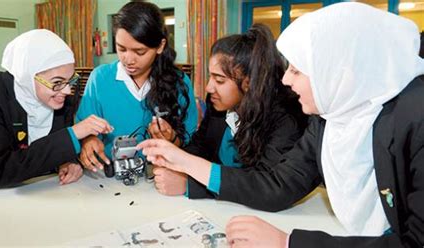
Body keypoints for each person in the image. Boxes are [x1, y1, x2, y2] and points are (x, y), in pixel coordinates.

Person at [139, 2, 424, 247]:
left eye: (297, 70)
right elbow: (279, 185)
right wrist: (184, 159)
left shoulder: (415, 118)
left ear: (338, 73)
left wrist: (287, 242)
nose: (286, 80)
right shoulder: (327, 121)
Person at [141, 24, 308, 201]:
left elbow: (266, 184)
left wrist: (190, 185)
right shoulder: (218, 103)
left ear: (249, 82)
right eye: (210, 76)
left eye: (219, 80)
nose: (208, 87)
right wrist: (174, 157)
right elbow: (201, 146)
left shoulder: (286, 118)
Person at [0, 29, 112, 192]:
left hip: (46, 189)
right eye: (57, 82)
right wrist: (72, 135)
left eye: (70, 80)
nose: (67, 91)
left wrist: (70, 163)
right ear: (28, 75)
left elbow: (57, 150)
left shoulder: (60, 97)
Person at [76, 1, 197, 172]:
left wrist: (172, 139)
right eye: (121, 49)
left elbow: (189, 138)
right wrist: (88, 140)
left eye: (140, 52)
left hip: (161, 176)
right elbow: (83, 126)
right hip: (110, 179)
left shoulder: (179, 82)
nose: (129, 60)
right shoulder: (100, 79)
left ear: (160, 46)